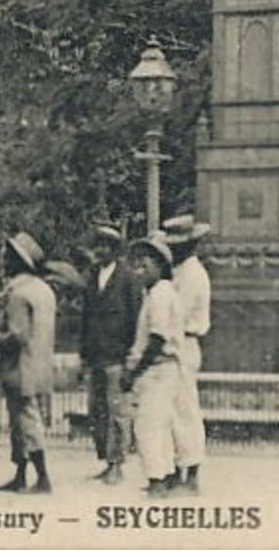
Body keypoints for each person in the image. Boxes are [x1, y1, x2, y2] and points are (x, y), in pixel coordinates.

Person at [0, 232, 56, 495]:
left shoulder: (18, 294)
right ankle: (20, 475)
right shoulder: (44, 290)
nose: (4, 260)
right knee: (23, 420)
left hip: (20, 365)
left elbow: (17, 335)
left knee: (25, 421)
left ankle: (42, 477)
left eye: (8, 256)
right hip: (40, 362)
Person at [79, 222, 140, 486]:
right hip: (96, 356)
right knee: (97, 411)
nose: (99, 251)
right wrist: (83, 355)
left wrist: (131, 358)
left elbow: (137, 319)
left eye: (105, 246)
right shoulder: (92, 277)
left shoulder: (128, 278)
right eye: (97, 245)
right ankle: (106, 460)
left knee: (118, 412)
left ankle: (117, 463)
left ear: (115, 250)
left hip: (118, 356)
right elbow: (85, 318)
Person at [122, 236, 182, 499]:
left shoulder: (159, 294)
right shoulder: (163, 292)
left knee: (147, 427)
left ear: (160, 265)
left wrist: (134, 372)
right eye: (137, 266)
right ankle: (166, 475)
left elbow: (157, 338)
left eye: (145, 266)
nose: (139, 272)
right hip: (163, 369)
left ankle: (157, 479)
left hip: (157, 368)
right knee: (161, 423)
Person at [161, 214, 212, 494]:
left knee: (185, 410)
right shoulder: (178, 271)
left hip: (185, 341)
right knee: (170, 410)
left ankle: (191, 472)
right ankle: (175, 469)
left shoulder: (193, 275)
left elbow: (175, 314)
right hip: (174, 343)